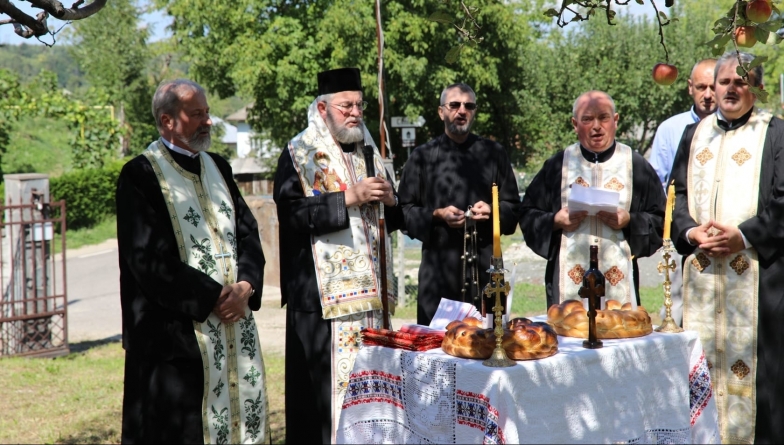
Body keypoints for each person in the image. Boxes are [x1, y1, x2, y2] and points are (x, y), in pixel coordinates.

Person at [117, 79, 268, 443]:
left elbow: (247, 233)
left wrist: (246, 286)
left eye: (208, 112)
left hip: (234, 328)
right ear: (168, 121)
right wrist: (216, 297)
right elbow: (148, 261)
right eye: (197, 114)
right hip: (175, 339)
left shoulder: (219, 166)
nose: (208, 122)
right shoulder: (140, 175)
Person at [273, 67, 403, 444]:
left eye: (359, 105)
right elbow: (292, 215)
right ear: (323, 108)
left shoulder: (369, 150)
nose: (355, 113)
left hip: (371, 304)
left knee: (372, 399)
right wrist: (349, 197)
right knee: (322, 406)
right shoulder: (299, 152)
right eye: (346, 106)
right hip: (321, 306)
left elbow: (387, 217)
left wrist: (391, 201)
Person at [670, 51, 784, 444]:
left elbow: (783, 201)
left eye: (742, 80)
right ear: (712, 88)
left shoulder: (775, 132)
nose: (732, 88)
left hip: (758, 283)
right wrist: (690, 233)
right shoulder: (695, 134)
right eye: (725, 82)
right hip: (703, 281)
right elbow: (678, 197)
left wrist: (743, 235)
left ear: (756, 87)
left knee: (762, 389)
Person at [519, 90, 665, 310]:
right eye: (587, 119)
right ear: (575, 124)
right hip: (569, 280)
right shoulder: (559, 165)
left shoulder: (635, 165)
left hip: (619, 278)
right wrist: (555, 220)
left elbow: (661, 218)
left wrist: (630, 221)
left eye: (603, 118)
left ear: (615, 121)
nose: (597, 126)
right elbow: (527, 213)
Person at [397, 83, 520, 326]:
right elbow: (402, 212)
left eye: (469, 106)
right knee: (437, 353)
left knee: (488, 348)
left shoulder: (494, 153)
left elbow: (514, 208)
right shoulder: (421, 157)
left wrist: (493, 211)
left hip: (486, 272)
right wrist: (436, 215)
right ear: (441, 111)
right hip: (438, 274)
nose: (461, 111)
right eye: (454, 105)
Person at [648, 58, 717, 326]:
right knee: (677, 313)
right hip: (682, 239)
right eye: (701, 87)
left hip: (726, 238)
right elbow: (658, 184)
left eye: (713, 86)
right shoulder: (670, 130)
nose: (708, 95)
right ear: (690, 87)